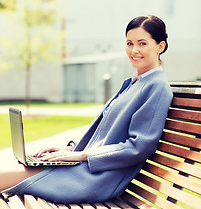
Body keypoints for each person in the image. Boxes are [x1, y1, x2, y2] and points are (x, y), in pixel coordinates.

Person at [0, 15, 173, 204]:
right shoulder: (135, 82)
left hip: (96, 177)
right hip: (86, 167)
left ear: (160, 47)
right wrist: (71, 148)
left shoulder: (156, 86)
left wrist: (81, 155)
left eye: (142, 43)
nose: (134, 50)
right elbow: (105, 136)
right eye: (129, 43)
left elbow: (139, 147)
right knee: (10, 166)